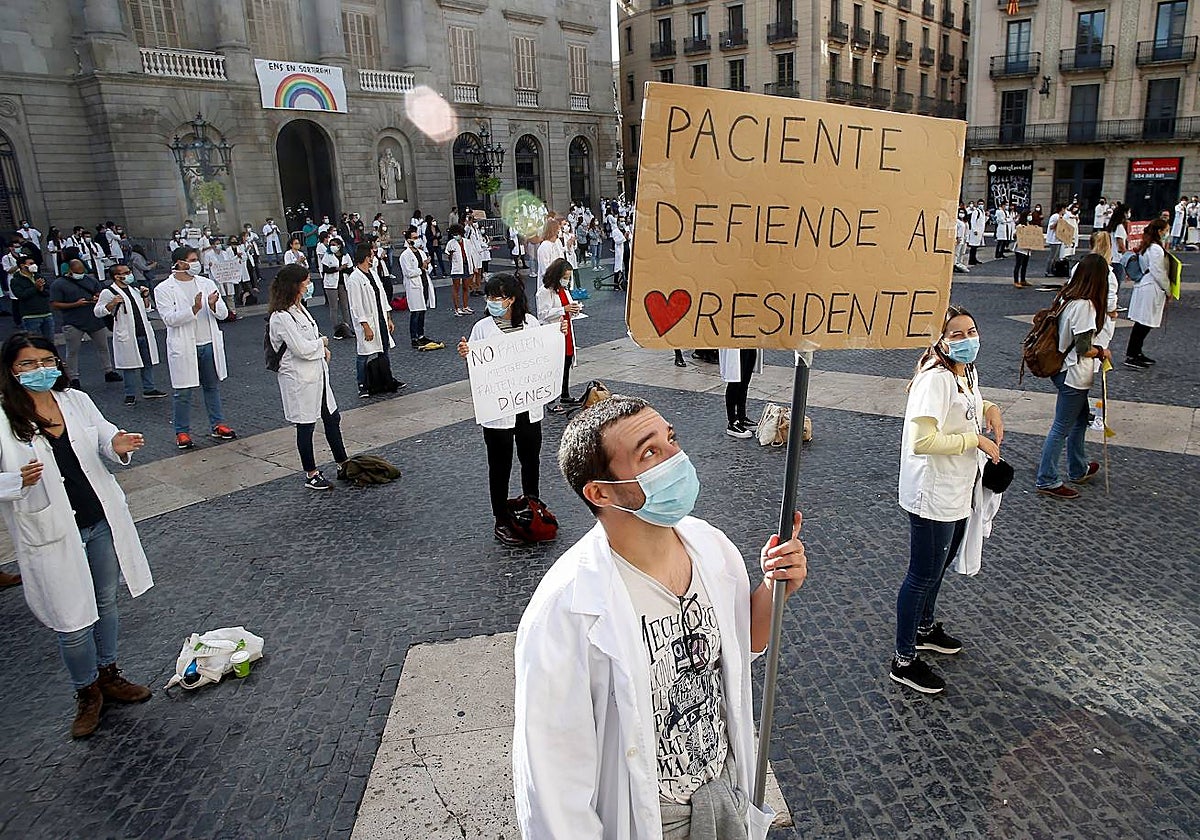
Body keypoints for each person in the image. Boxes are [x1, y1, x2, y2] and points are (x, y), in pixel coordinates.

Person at [513, 395, 807, 837]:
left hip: (725, 794)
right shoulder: (564, 610)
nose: (676, 457)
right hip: (647, 820)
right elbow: (551, 778)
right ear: (599, 492)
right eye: (649, 452)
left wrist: (772, 586)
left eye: (671, 439)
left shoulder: (711, 547)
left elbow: (740, 647)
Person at [0, 332, 154, 738]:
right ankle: (86, 692)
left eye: (47, 361)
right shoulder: (4, 417)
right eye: (28, 364)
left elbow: (102, 435)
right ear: (11, 371)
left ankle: (109, 673)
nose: (39, 371)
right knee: (72, 619)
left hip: (98, 519)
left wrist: (117, 443)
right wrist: (14, 482)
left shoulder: (75, 401)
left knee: (105, 600)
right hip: (50, 529)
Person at [893, 305, 1003, 694]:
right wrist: (974, 440)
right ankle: (903, 659)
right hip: (933, 492)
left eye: (970, 331)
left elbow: (972, 404)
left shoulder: (965, 371)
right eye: (956, 334)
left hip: (959, 488)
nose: (966, 339)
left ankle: (924, 628)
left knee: (937, 569)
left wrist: (991, 409)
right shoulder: (934, 379)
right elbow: (923, 440)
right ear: (939, 340)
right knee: (922, 574)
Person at [457, 274, 549, 546]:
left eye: (497, 297)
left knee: (531, 460)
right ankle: (500, 518)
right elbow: (478, 364)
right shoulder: (483, 328)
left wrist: (556, 338)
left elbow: (543, 356)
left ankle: (533, 507)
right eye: (490, 297)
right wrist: (467, 353)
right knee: (500, 466)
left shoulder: (531, 324)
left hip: (528, 406)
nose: (492, 302)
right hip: (499, 410)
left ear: (511, 299)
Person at [1035, 254, 1111, 499]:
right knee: (1061, 427)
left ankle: (1079, 467)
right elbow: (1083, 348)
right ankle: (1047, 478)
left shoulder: (1068, 297)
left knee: (1079, 421)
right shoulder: (1085, 306)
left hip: (1064, 370)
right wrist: (1102, 351)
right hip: (1073, 374)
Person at [267, 265, 350, 490]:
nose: (308, 284)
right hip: (299, 378)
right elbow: (301, 348)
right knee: (305, 425)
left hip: (317, 374)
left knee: (332, 418)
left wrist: (320, 346)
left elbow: (310, 336)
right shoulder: (280, 317)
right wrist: (321, 344)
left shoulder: (299, 308)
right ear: (294, 285)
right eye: (304, 281)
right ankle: (311, 473)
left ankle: (343, 463)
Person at [154, 246, 237, 450]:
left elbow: (223, 314)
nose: (195, 263)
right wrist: (193, 309)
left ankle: (217, 424)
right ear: (180, 263)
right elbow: (169, 319)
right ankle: (182, 431)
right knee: (183, 391)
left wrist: (212, 305)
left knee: (212, 386)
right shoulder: (164, 289)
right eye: (191, 260)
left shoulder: (206, 283)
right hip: (184, 345)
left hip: (208, 342)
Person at [95, 263, 165, 406]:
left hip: (143, 331)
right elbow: (98, 311)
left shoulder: (133, 290)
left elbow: (146, 309)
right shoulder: (108, 292)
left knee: (148, 362)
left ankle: (149, 388)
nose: (129, 274)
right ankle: (130, 393)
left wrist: (145, 296)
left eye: (129, 272)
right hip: (126, 333)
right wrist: (112, 304)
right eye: (126, 272)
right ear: (117, 276)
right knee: (129, 365)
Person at [50, 259, 121, 388]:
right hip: (73, 321)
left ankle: (109, 370)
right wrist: (75, 304)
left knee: (103, 347)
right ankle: (73, 377)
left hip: (94, 319)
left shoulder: (90, 280)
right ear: (70, 271)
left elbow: (100, 294)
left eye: (82, 272)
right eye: (77, 272)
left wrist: (97, 298)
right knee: (72, 351)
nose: (80, 274)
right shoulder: (59, 284)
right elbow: (54, 304)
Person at [347, 242, 397, 397]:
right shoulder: (354, 278)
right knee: (364, 354)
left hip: (380, 317)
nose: (374, 257)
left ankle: (387, 379)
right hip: (368, 321)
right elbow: (356, 306)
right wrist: (365, 326)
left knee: (384, 349)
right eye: (372, 255)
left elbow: (382, 297)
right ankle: (362, 384)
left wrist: (388, 318)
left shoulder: (373, 274)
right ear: (366, 257)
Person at [536, 258, 582, 414]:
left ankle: (564, 394)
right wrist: (564, 309)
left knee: (566, 363)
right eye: (565, 277)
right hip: (553, 333)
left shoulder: (564, 290)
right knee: (555, 367)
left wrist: (573, 310)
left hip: (566, 331)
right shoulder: (544, 291)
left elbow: (567, 309)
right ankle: (550, 400)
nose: (567, 281)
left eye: (568, 277)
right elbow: (542, 315)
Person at [1124, 218, 1171, 369]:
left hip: (1147, 285)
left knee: (1142, 323)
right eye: (1165, 230)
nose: (1166, 233)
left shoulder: (1149, 246)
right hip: (1151, 287)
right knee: (1143, 323)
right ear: (1159, 231)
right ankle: (1132, 354)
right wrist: (1168, 289)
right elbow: (1159, 272)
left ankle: (1136, 352)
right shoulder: (1155, 249)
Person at [399, 226, 439, 349]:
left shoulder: (421, 252)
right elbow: (408, 273)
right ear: (408, 240)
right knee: (415, 312)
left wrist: (426, 266)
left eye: (418, 237)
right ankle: (414, 337)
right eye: (414, 238)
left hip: (424, 284)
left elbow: (429, 268)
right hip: (414, 286)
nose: (417, 240)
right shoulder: (405, 255)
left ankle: (421, 335)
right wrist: (421, 267)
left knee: (422, 311)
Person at [719, 347, 762, 438]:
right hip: (736, 342)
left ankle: (741, 417)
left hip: (749, 340)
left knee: (745, 378)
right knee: (735, 380)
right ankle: (732, 421)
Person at [11, 255, 55, 343]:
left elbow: (48, 291)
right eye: (31, 263)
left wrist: (41, 289)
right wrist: (35, 288)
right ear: (23, 266)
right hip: (30, 316)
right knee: (34, 343)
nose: (34, 265)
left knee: (50, 342)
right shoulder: (16, 280)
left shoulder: (38, 276)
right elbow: (21, 295)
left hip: (46, 313)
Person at [321, 236, 354, 339]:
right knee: (334, 307)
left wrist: (343, 269)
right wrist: (339, 268)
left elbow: (350, 269)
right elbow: (326, 269)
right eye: (331, 245)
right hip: (331, 284)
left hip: (342, 282)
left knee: (345, 306)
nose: (332, 247)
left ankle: (347, 327)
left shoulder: (346, 255)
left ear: (339, 246)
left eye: (334, 245)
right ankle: (337, 330)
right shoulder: (328, 255)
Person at [447, 224, 476, 317]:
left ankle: (465, 306)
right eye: (454, 234)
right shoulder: (451, 243)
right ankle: (457, 308)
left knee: (465, 287)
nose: (455, 236)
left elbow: (471, 255)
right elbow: (449, 258)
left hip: (467, 266)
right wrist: (451, 254)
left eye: (457, 234)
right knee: (456, 288)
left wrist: (475, 267)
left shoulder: (467, 242)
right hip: (457, 267)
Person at [536, 218, 566, 287]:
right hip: (548, 284)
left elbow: (562, 258)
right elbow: (545, 269)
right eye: (558, 229)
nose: (560, 230)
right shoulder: (544, 246)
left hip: (560, 281)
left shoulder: (558, 242)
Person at [1105, 203, 1130, 280]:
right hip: (1117, 259)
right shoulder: (1119, 227)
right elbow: (1121, 245)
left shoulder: (1113, 226)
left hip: (1111, 257)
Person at [1044, 203, 1066, 276]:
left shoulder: (1060, 216)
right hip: (1053, 239)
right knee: (1052, 256)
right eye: (1064, 209)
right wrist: (1058, 222)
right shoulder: (1055, 216)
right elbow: (1051, 226)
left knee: (1055, 257)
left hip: (1058, 239)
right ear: (1062, 209)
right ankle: (1048, 271)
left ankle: (1053, 269)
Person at [1012, 211, 1032, 287]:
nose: (1030, 216)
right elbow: (1014, 235)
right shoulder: (1020, 226)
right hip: (1020, 248)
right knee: (1018, 264)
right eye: (1029, 215)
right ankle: (1016, 281)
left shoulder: (1029, 225)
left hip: (1027, 249)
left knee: (1024, 265)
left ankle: (1023, 280)